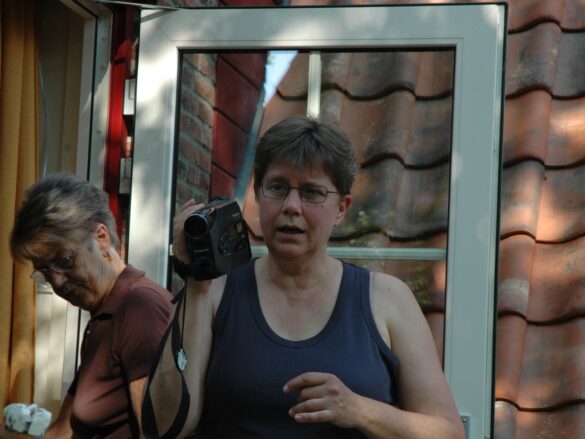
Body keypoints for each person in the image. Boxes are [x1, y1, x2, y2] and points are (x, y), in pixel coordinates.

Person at [146, 116, 465, 438]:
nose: (291, 206)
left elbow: (449, 432)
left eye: (312, 192)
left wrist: (359, 410)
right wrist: (197, 286)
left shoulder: (386, 299)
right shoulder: (212, 292)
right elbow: (163, 427)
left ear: (342, 208)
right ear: (257, 193)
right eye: (277, 187)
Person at [10, 173, 173, 438]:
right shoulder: (104, 315)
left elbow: (157, 433)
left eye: (64, 260)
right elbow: (63, 431)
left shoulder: (140, 308)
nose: (56, 281)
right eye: (44, 270)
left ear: (101, 237)